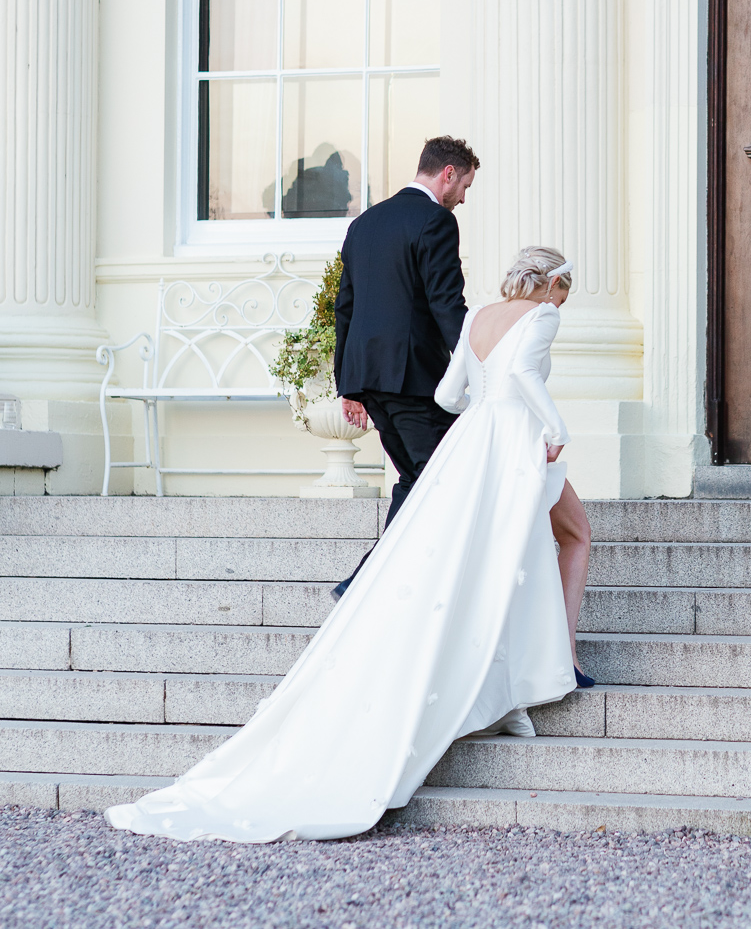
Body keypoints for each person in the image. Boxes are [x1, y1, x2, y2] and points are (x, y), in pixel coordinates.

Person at [104, 246, 583, 844]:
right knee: (512, 559)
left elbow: (447, 397)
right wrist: (555, 429)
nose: (567, 300)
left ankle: (503, 693)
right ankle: (508, 694)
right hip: (512, 441)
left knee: (478, 564)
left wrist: (483, 412)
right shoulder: (543, 316)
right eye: (568, 289)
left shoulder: (478, 316)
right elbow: (522, 378)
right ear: (553, 284)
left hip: (468, 444)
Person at [331, 135, 478, 598]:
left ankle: (375, 585)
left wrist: (348, 385)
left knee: (419, 478)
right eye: (464, 187)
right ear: (447, 174)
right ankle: (368, 583)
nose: (461, 199)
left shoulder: (365, 223)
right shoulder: (435, 221)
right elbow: (446, 305)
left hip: (369, 378)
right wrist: (481, 367)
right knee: (440, 474)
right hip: (413, 380)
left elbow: (345, 308)